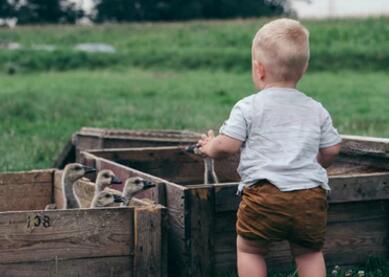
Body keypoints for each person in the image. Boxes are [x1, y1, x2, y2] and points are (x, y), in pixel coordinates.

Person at [197, 18, 341, 277]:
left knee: (250, 250)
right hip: (309, 197)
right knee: (309, 252)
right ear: (304, 68)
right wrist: (316, 163)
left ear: (258, 69)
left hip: (264, 196)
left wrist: (209, 147)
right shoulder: (316, 109)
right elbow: (332, 150)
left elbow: (227, 146)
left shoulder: (248, 106)